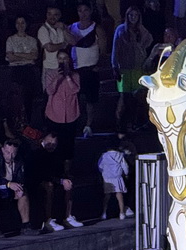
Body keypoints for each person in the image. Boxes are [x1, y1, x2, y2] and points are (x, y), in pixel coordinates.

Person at [112, 6, 153, 133]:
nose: (133, 18)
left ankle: (133, 123)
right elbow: (115, 48)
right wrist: (114, 66)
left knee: (136, 98)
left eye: (135, 15)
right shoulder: (120, 29)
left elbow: (149, 40)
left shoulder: (142, 30)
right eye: (131, 15)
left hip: (137, 68)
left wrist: (140, 46)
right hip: (123, 68)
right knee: (124, 98)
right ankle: (120, 124)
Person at [33, 130, 83, 233]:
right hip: (38, 180)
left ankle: (68, 217)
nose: (51, 146)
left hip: (54, 178)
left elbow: (58, 170)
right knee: (49, 186)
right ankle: (48, 220)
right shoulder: (37, 152)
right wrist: (60, 181)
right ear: (43, 140)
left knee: (69, 182)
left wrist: (65, 179)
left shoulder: (56, 153)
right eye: (49, 143)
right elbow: (41, 173)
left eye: (54, 144)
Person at [0, 139, 33, 238]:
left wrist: (19, 188)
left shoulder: (19, 160)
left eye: (13, 153)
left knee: (23, 194)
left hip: (12, 186)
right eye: (8, 152)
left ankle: (26, 225)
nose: (10, 156)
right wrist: (8, 184)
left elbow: (21, 177)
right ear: (3, 150)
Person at [70, 3, 103, 136]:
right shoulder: (72, 28)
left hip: (90, 69)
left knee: (90, 100)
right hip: (75, 70)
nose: (83, 13)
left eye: (85, 10)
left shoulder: (97, 28)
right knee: (75, 99)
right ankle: (75, 123)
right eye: (80, 10)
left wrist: (98, 65)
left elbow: (103, 49)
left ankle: (88, 125)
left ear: (90, 11)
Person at [38, 6, 72, 89]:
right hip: (50, 68)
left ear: (59, 16)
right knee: (50, 95)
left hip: (64, 66)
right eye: (49, 14)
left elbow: (72, 41)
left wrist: (64, 29)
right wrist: (63, 44)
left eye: (55, 15)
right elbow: (49, 48)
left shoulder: (62, 28)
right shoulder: (43, 29)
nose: (52, 17)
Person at [99, 142, 133, 220]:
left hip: (107, 178)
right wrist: (126, 174)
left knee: (107, 196)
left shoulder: (103, 156)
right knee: (119, 195)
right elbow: (125, 166)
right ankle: (121, 213)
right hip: (117, 177)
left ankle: (104, 213)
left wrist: (104, 173)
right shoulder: (120, 155)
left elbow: (100, 166)